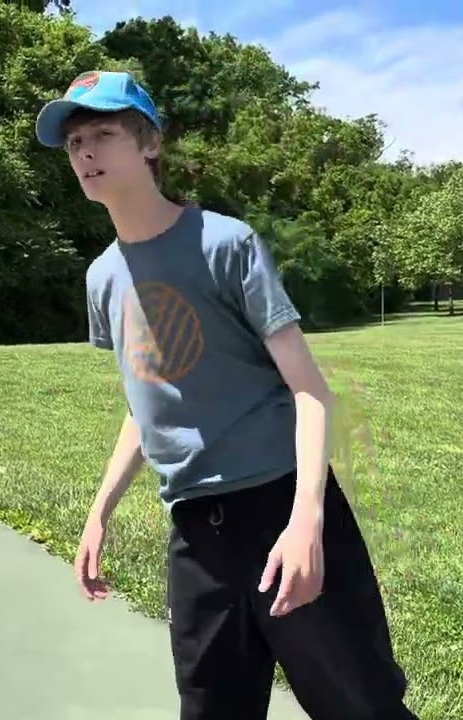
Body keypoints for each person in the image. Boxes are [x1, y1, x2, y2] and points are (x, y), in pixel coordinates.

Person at [34, 71, 418, 720]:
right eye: (74, 143)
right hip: (196, 536)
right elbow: (146, 401)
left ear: (149, 143)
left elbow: (311, 392)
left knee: (363, 706)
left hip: (276, 508)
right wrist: (100, 511)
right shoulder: (103, 276)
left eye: (102, 134)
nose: (86, 153)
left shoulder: (225, 244)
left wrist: (305, 523)